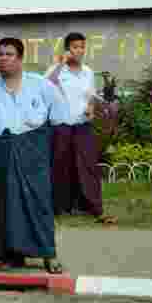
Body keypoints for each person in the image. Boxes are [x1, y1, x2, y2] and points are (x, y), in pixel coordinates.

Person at [0, 38, 67, 274]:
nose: (3, 58)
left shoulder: (42, 86)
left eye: (9, 54)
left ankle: (48, 254)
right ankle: (10, 255)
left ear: (20, 58)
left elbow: (59, 120)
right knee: (2, 203)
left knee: (38, 201)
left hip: (33, 149)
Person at [45, 33, 117, 225]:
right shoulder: (58, 70)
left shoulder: (87, 71)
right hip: (61, 125)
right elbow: (46, 85)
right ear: (68, 49)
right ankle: (59, 207)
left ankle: (95, 208)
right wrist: (61, 63)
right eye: (75, 47)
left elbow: (91, 95)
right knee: (61, 166)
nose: (79, 51)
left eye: (82, 47)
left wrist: (91, 108)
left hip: (83, 124)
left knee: (88, 165)